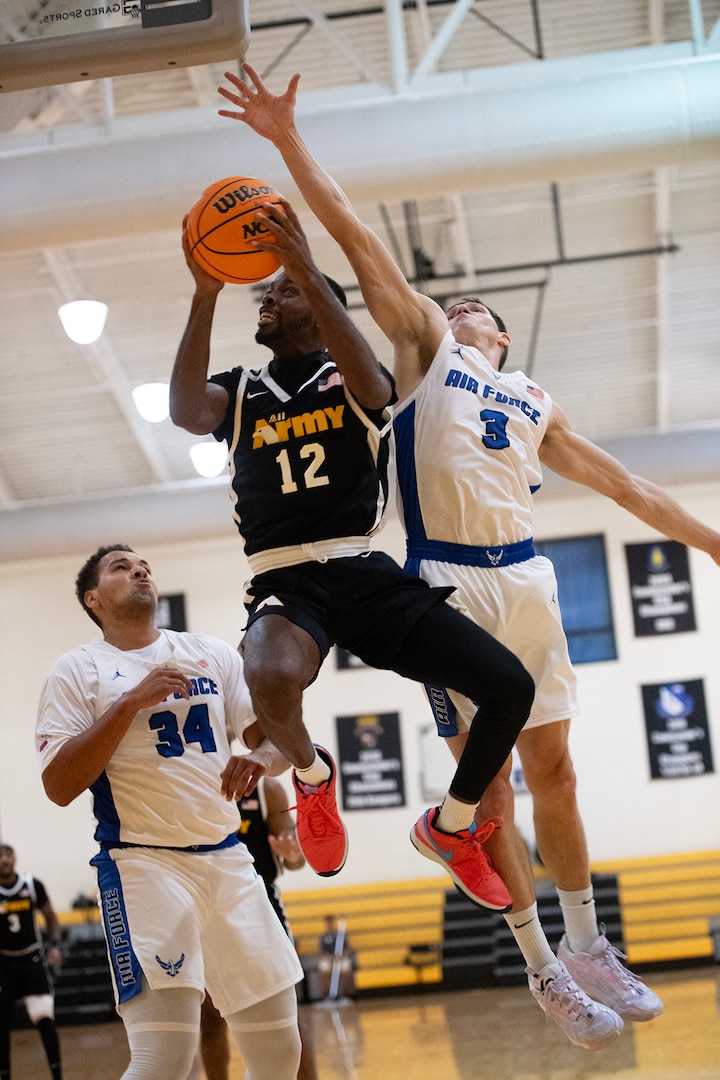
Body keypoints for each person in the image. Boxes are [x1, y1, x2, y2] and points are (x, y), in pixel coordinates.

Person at [217, 63, 720, 1051]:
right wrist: (285, 139)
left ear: (499, 330)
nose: (458, 312)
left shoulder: (532, 401)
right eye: (449, 307)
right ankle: (541, 968)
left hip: (531, 581)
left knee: (560, 772)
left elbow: (633, 490)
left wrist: (712, 544)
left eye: (473, 309)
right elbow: (356, 238)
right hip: (450, 581)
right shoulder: (421, 351)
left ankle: (587, 944)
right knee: (490, 793)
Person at [170, 168, 535, 911]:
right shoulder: (241, 389)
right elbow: (185, 412)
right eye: (267, 295)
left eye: (284, 292)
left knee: (510, 688)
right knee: (269, 674)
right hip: (283, 577)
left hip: (363, 569)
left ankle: (453, 825)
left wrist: (306, 263)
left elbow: (373, 385)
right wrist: (205, 291)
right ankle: (311, 777)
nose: (269, 300)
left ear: (320, 306)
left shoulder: (352, 376)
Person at [35, 544, 304, 1080]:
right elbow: (59, 785)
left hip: (230, 863)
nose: (139, 570)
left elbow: (274, 743)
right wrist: (129, 703)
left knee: (280, 1057)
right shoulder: (77, 670)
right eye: (120, 567)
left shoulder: (210, 652)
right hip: (144, 866)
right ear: (94, 599)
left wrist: (258, 755)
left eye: (143, 565)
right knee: (164, 1062)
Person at [194, 775, 318, 1080]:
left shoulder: (265, 789)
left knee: (288, 1016)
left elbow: (294, 856)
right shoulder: (189, 783)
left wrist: (292, 850)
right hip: (204, 907)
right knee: (209, 1018)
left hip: (261, 904)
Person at [0, 843, 63, 1080]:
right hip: (3, 964)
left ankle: (57, 1076)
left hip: (31, 960)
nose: (4, 860)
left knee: (45, 1020)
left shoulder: (31, 885)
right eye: (0, 857)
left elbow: (50, 916)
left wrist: (55, 945)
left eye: (7, 855)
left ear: (14, 858)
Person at [317, 915, 356, 1001]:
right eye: (328, 923)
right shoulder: (323, 937)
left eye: (331, 922)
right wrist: (331, 957)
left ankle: (344, 995)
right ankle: (327, 995)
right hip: (329, 959)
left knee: (345, 970)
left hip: (341, 958)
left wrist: (341, 955)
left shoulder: (341, 936)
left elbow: (349, 949)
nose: (330, 925)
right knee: (323, 970)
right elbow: (321, 953)